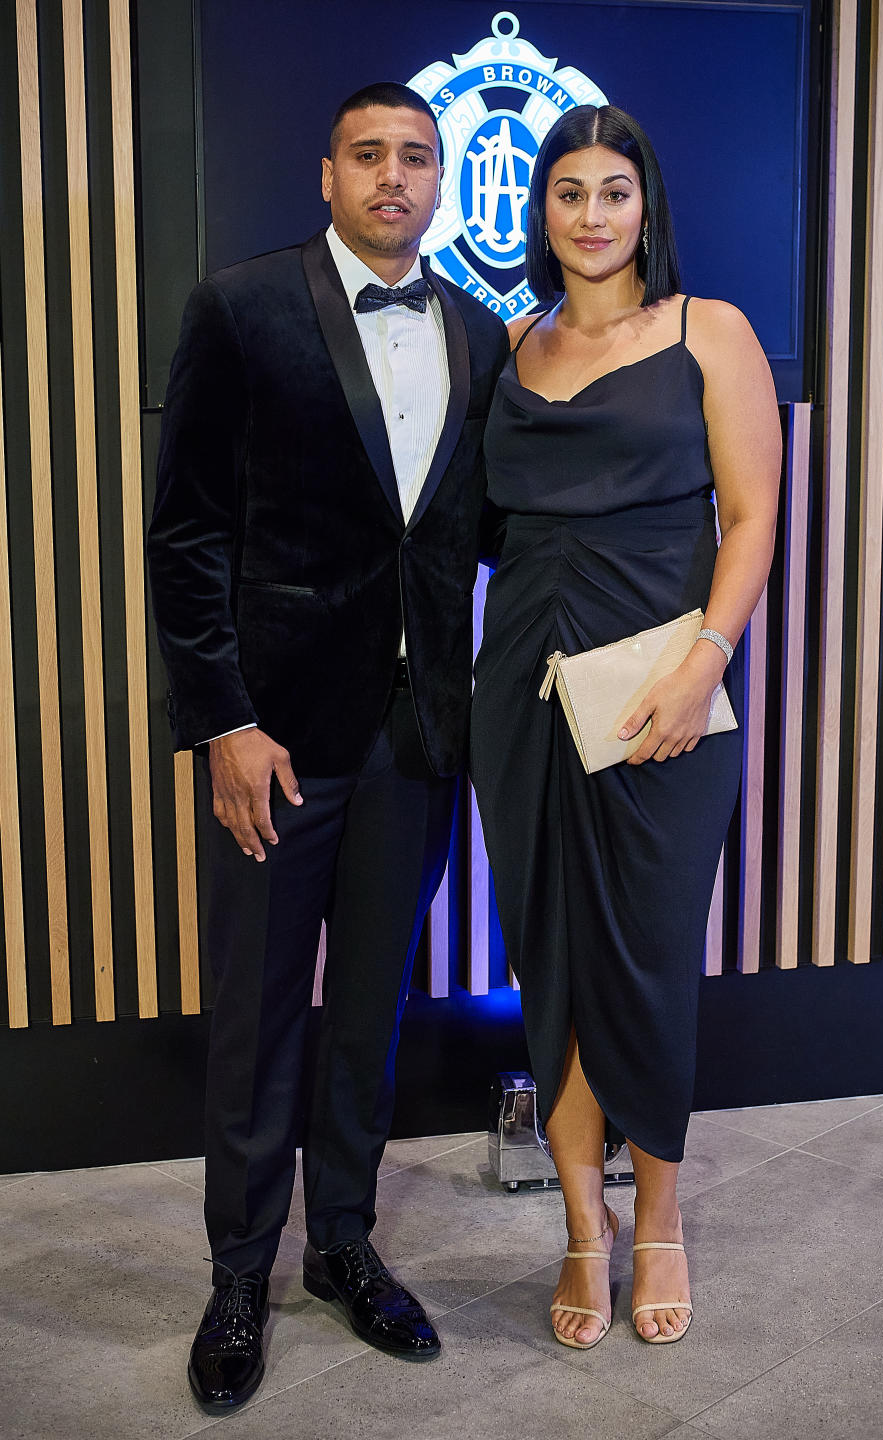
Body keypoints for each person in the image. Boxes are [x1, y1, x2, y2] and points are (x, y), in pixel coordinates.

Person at [148, 82, 508, 1409]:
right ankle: (240, 1268)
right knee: (255, 1019)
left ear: (440, 181)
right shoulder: (240, 309)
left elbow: (474, 542)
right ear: (326, 174)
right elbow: (184, 537)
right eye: (370, 156)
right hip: (275, 740)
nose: (395, 178)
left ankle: (341, 1245)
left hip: (417, 737)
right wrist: (224, 722)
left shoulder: (478, 335)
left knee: (368, 1013)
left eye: (418, 158)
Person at [471, 105, 780, 1350]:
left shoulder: (713, 332)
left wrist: (704, 664)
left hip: (663, 688)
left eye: (613, 190)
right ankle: (581, 1229)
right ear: (537, 213)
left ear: (646, 203)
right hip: (525, 694)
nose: (590, 215)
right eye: (566, 193)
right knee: (550, 952)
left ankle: (658, 1216)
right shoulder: (508, 345)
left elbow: (752, 517)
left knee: (645, 957)